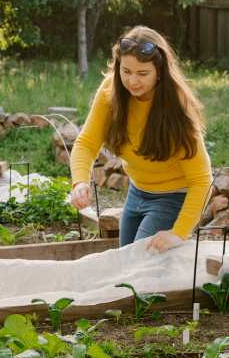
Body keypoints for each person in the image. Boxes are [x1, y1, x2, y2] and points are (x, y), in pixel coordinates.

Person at [69, 26, 212, 253]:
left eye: (142, 74)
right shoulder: (110, 90)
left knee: (138, 265)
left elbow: (202, 181)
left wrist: (178, 232)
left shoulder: (178, 107)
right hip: (136, 192)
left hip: (172, 198)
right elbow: (87, 142)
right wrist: (80, 182)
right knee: (127, 263)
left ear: (160, 72)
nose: (132, 81)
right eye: (126, 71)